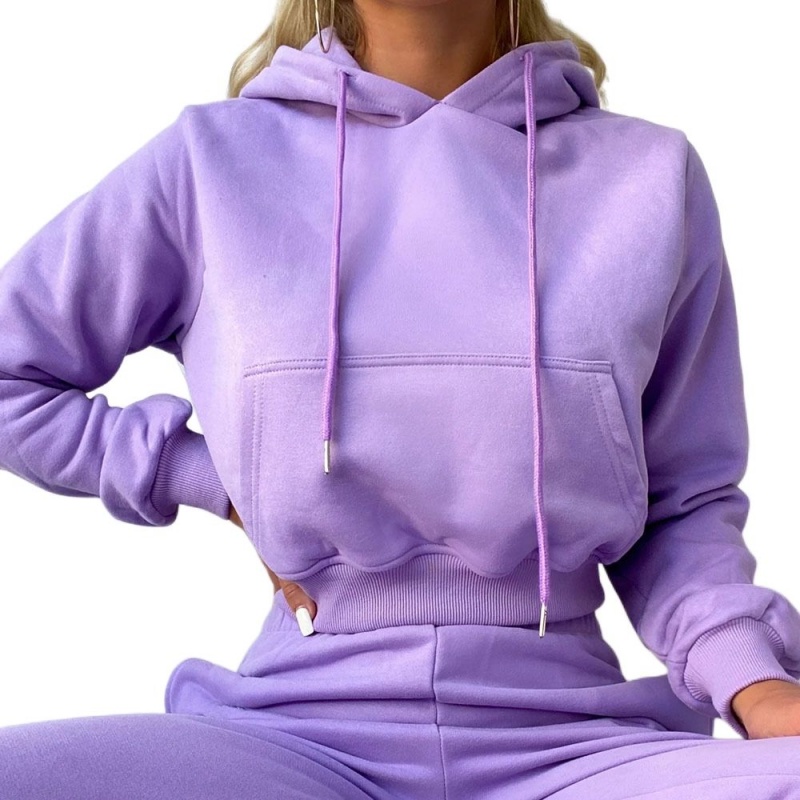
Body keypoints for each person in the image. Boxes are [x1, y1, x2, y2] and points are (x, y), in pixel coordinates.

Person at [3, 0, 800, 797]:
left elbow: (682, 503)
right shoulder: (209, 164)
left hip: (576, 748)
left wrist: (754, 681)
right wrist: (211, 481)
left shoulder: (649, 175)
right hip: (293, 738)